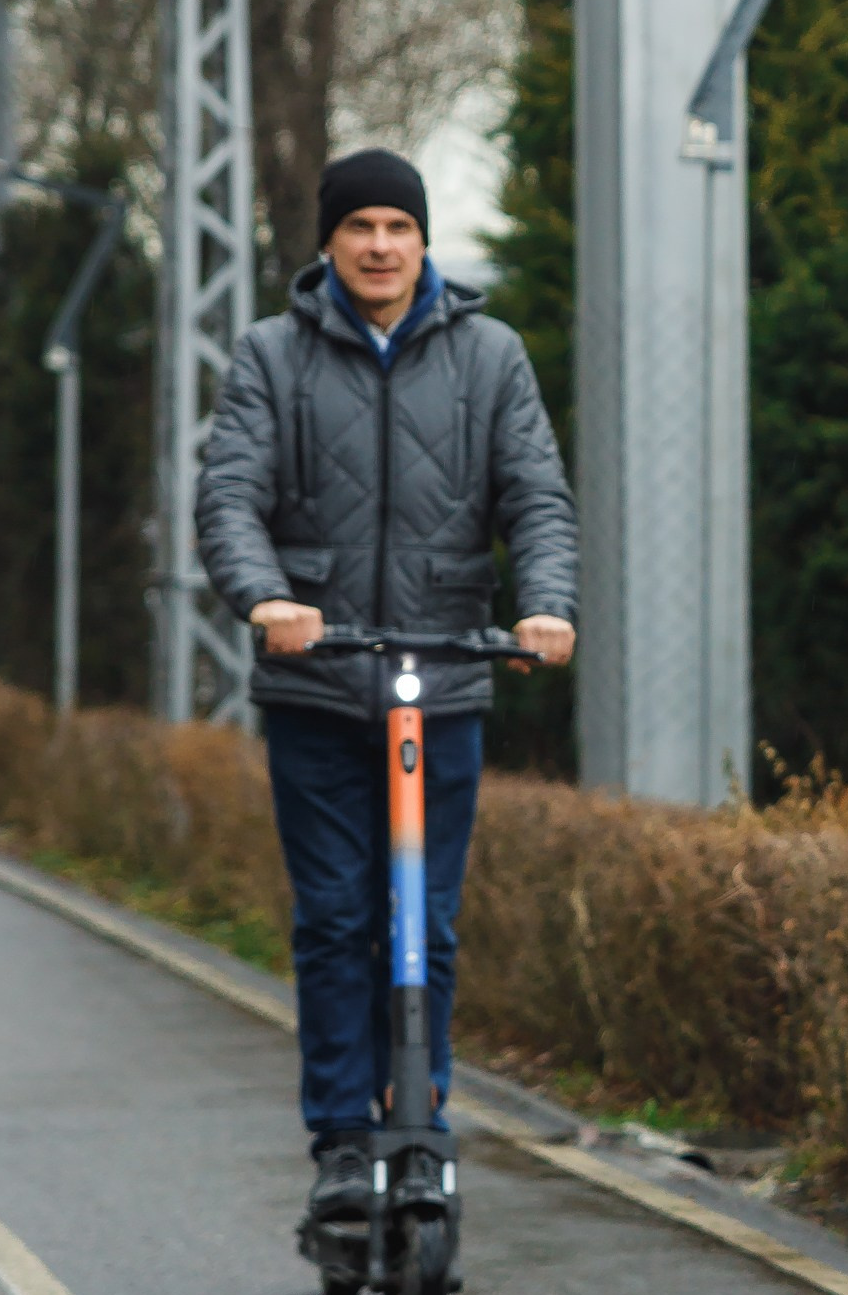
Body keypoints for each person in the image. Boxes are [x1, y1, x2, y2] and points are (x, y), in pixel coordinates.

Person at [196, 149, 578, 1236]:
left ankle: (420, 1123)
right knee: (333, 918)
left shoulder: (490, 356)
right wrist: (269, 599)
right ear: (328, 241)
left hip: (443, 675)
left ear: (422, 241)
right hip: (318, 684)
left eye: (396, 226)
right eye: (357, 224)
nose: (377, 244)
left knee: (426, 920)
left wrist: (545, 607)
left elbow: (537, 497)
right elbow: (230, 496)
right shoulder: (272, 355)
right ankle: (341, 1142)